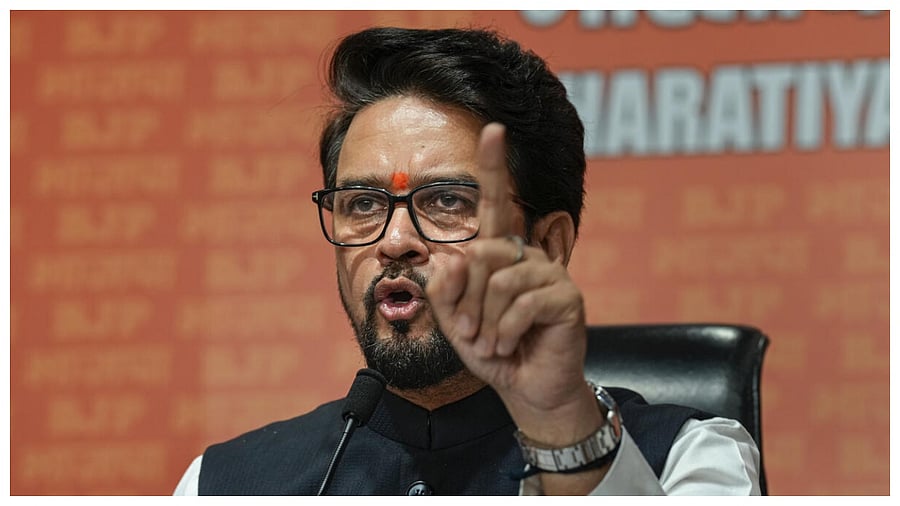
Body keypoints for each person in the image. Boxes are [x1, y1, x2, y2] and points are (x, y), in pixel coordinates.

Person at [174, 26, 760, 495]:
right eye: (361, 203)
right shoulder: (223, 484)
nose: (395, 239)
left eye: (447, 201)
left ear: (549, 246)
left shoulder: (690, 460)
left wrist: (561, 425)